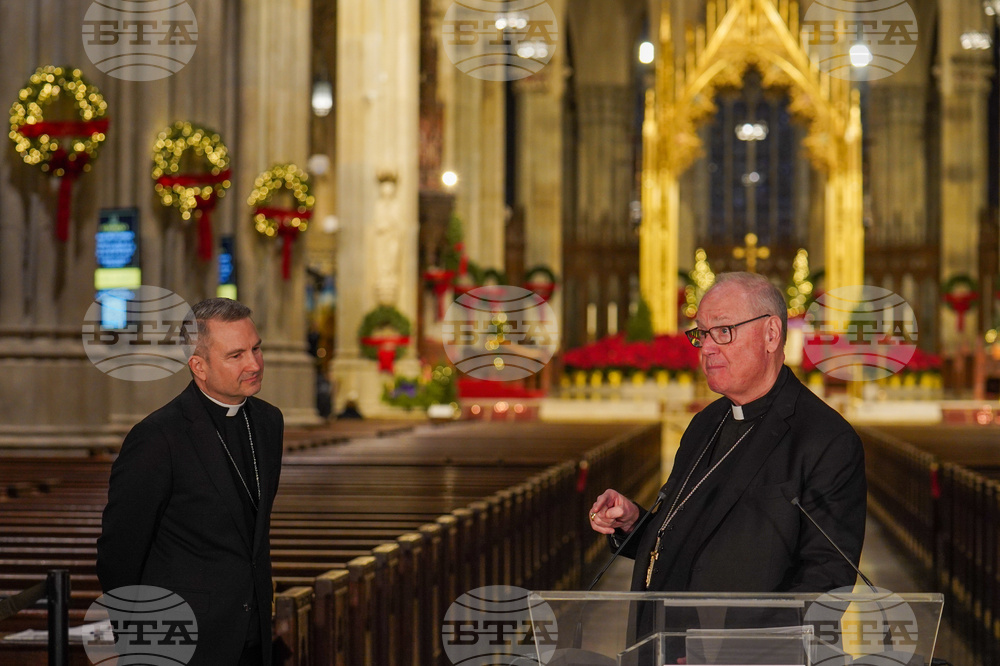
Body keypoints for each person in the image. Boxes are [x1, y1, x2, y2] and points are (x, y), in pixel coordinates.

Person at [589, 272, 866, 641]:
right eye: (701, 334)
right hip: (667, 645)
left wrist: (743, 651)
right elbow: (690, 536)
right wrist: (635, 522)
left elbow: (828, 581)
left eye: (723, 331)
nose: (706, 348)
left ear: (771, 334)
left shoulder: (826, 439)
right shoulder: (705, 423)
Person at [97, 298, 284, 666]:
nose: (254, 364)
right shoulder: (157, 437)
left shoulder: (268, 422)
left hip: (252, 634)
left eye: (256, 348)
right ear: (198, 365)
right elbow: (119, 552)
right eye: (236, 355)